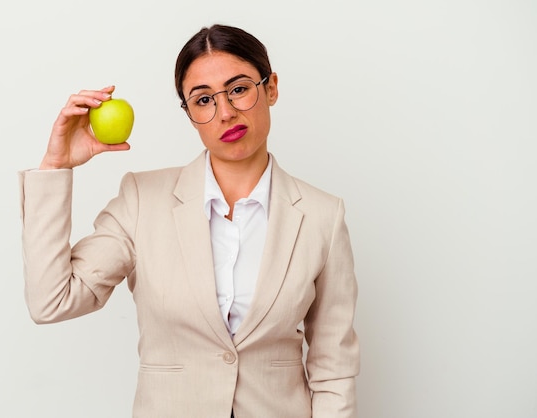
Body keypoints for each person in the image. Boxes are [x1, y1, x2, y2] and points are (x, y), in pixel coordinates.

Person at [18, 24, 360, 418]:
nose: (226, 112)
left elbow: (334, 369)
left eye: (238, 89)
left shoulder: (323, 216)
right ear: (189, 113)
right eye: (203, 100)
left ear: (270, 88)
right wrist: (55, 166)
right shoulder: (142, 200)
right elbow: (50, 302)